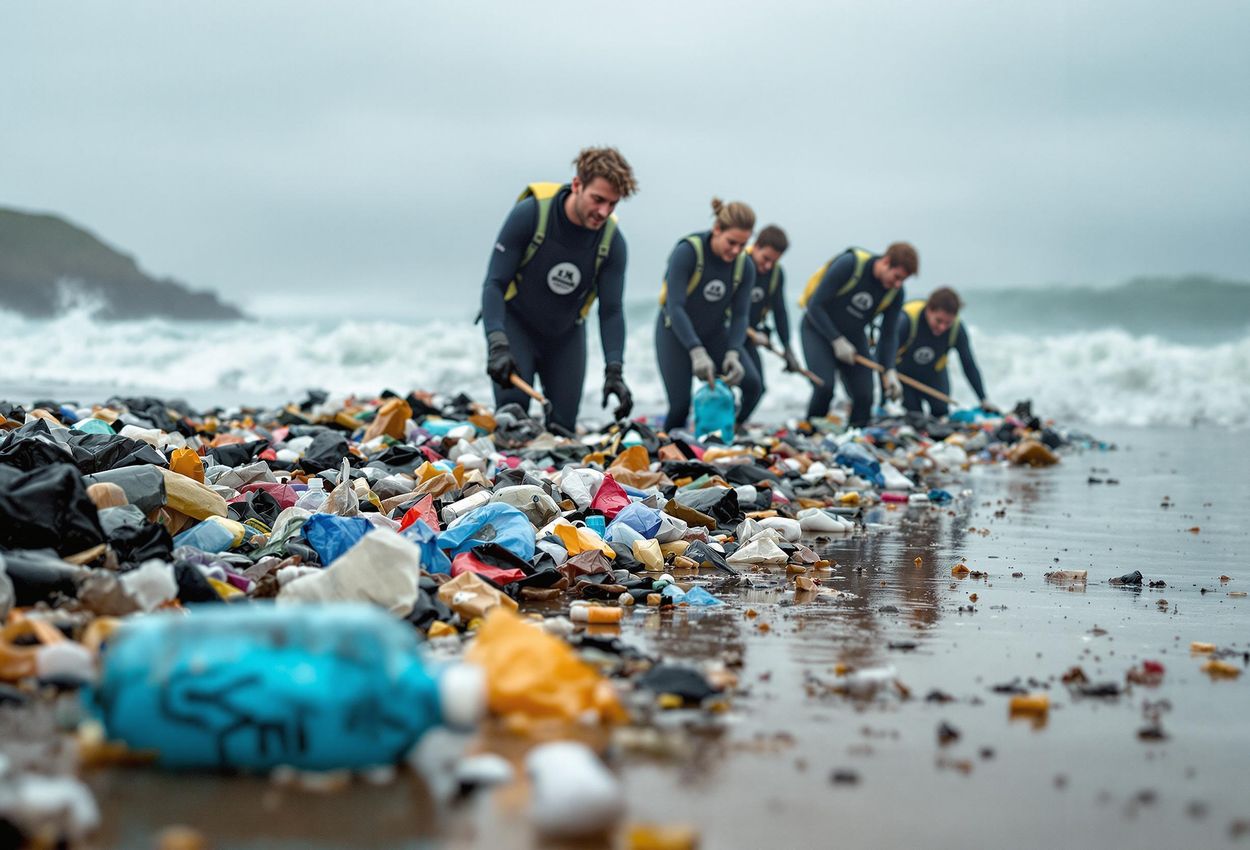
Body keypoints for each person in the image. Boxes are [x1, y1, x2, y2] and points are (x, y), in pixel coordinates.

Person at [480, 147, 637, 431]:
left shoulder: (613, 243)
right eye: (598, 200)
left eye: (612, 204)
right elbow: (494, 284)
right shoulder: (530, 215)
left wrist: (615, 371)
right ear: (577, 185)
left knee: (563, 429)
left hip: (565, 336)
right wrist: (497, 343)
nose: (604, 212)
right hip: (517, 328)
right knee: (512, 421)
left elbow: (611, 311)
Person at [654, 198, 757, 432]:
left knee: (751, 383)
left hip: (714, 332)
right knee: (680, 405)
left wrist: (732, 352)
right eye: (731, 242)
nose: (736, 251)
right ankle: (669, 452)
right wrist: (696, 352)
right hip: (676, 332)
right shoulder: (687, 252)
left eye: (742, 245)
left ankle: (729, 429)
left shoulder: (744, 265)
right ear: (717, 229)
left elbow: (741, 315)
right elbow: (675, 306)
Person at [799, 242, 918, 427]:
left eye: (902, 280)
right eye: (897, 277)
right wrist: (836, 340)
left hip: (853, 338)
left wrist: (890, 370)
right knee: (825, 387)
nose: (897, 284)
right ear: (886, 261)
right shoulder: (850, 264)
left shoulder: (895, 293)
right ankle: (810, 432)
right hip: (818, 329)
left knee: (865, 395)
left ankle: (855, 436)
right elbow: (815, 305)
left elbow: (888, 335)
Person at [737, 225, 802, 424]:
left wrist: (788, 348)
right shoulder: (739, 264)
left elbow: (780, 312)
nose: (768, 266)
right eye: (765, 258)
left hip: (748, 339)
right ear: (755, 246)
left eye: (774, 261)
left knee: (758, 388)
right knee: (741, 381)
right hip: (725, 334)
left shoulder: (775, 274)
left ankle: (735, 424)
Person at [894, 287, 994, 417]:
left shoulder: (957, 329)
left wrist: (983, 399)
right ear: (929, 309)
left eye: (948, 323)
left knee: (941, 411)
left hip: (934, 374)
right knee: (915, 415)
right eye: (939, 321)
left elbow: (968, 365)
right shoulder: (906, 319)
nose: (942, 327)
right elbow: (883, 352)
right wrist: (888, 379)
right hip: (904, 376)